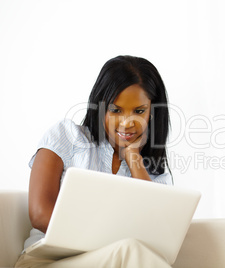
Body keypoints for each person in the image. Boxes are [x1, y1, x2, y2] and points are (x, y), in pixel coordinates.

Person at [15, 55, 173, 268]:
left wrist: (134, 159)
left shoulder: (154, 171)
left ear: (152, 112)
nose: (127, 123)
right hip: (47, 260)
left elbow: (156, 235)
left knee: (134, 252)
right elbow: (40, 214)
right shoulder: (67, 136)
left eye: (139, 111)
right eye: (116, 110)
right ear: (100, 107)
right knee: (130, 250)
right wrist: (108, 242)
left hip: (120, 261)